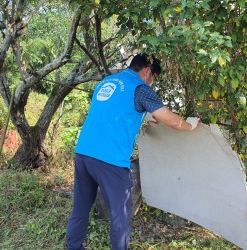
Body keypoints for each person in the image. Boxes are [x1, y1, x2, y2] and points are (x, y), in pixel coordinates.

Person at [66, 53, 200, 250]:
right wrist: (189, 125)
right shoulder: (141, 88)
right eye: (153, 78)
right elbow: (172, 120)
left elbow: (115, 109)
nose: (152, 83)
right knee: (120, 215)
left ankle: (73, 247)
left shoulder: (107, 81)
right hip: (110, 159)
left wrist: (145, 117)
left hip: (84, 153)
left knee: (81, 207)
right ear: (147, 72)